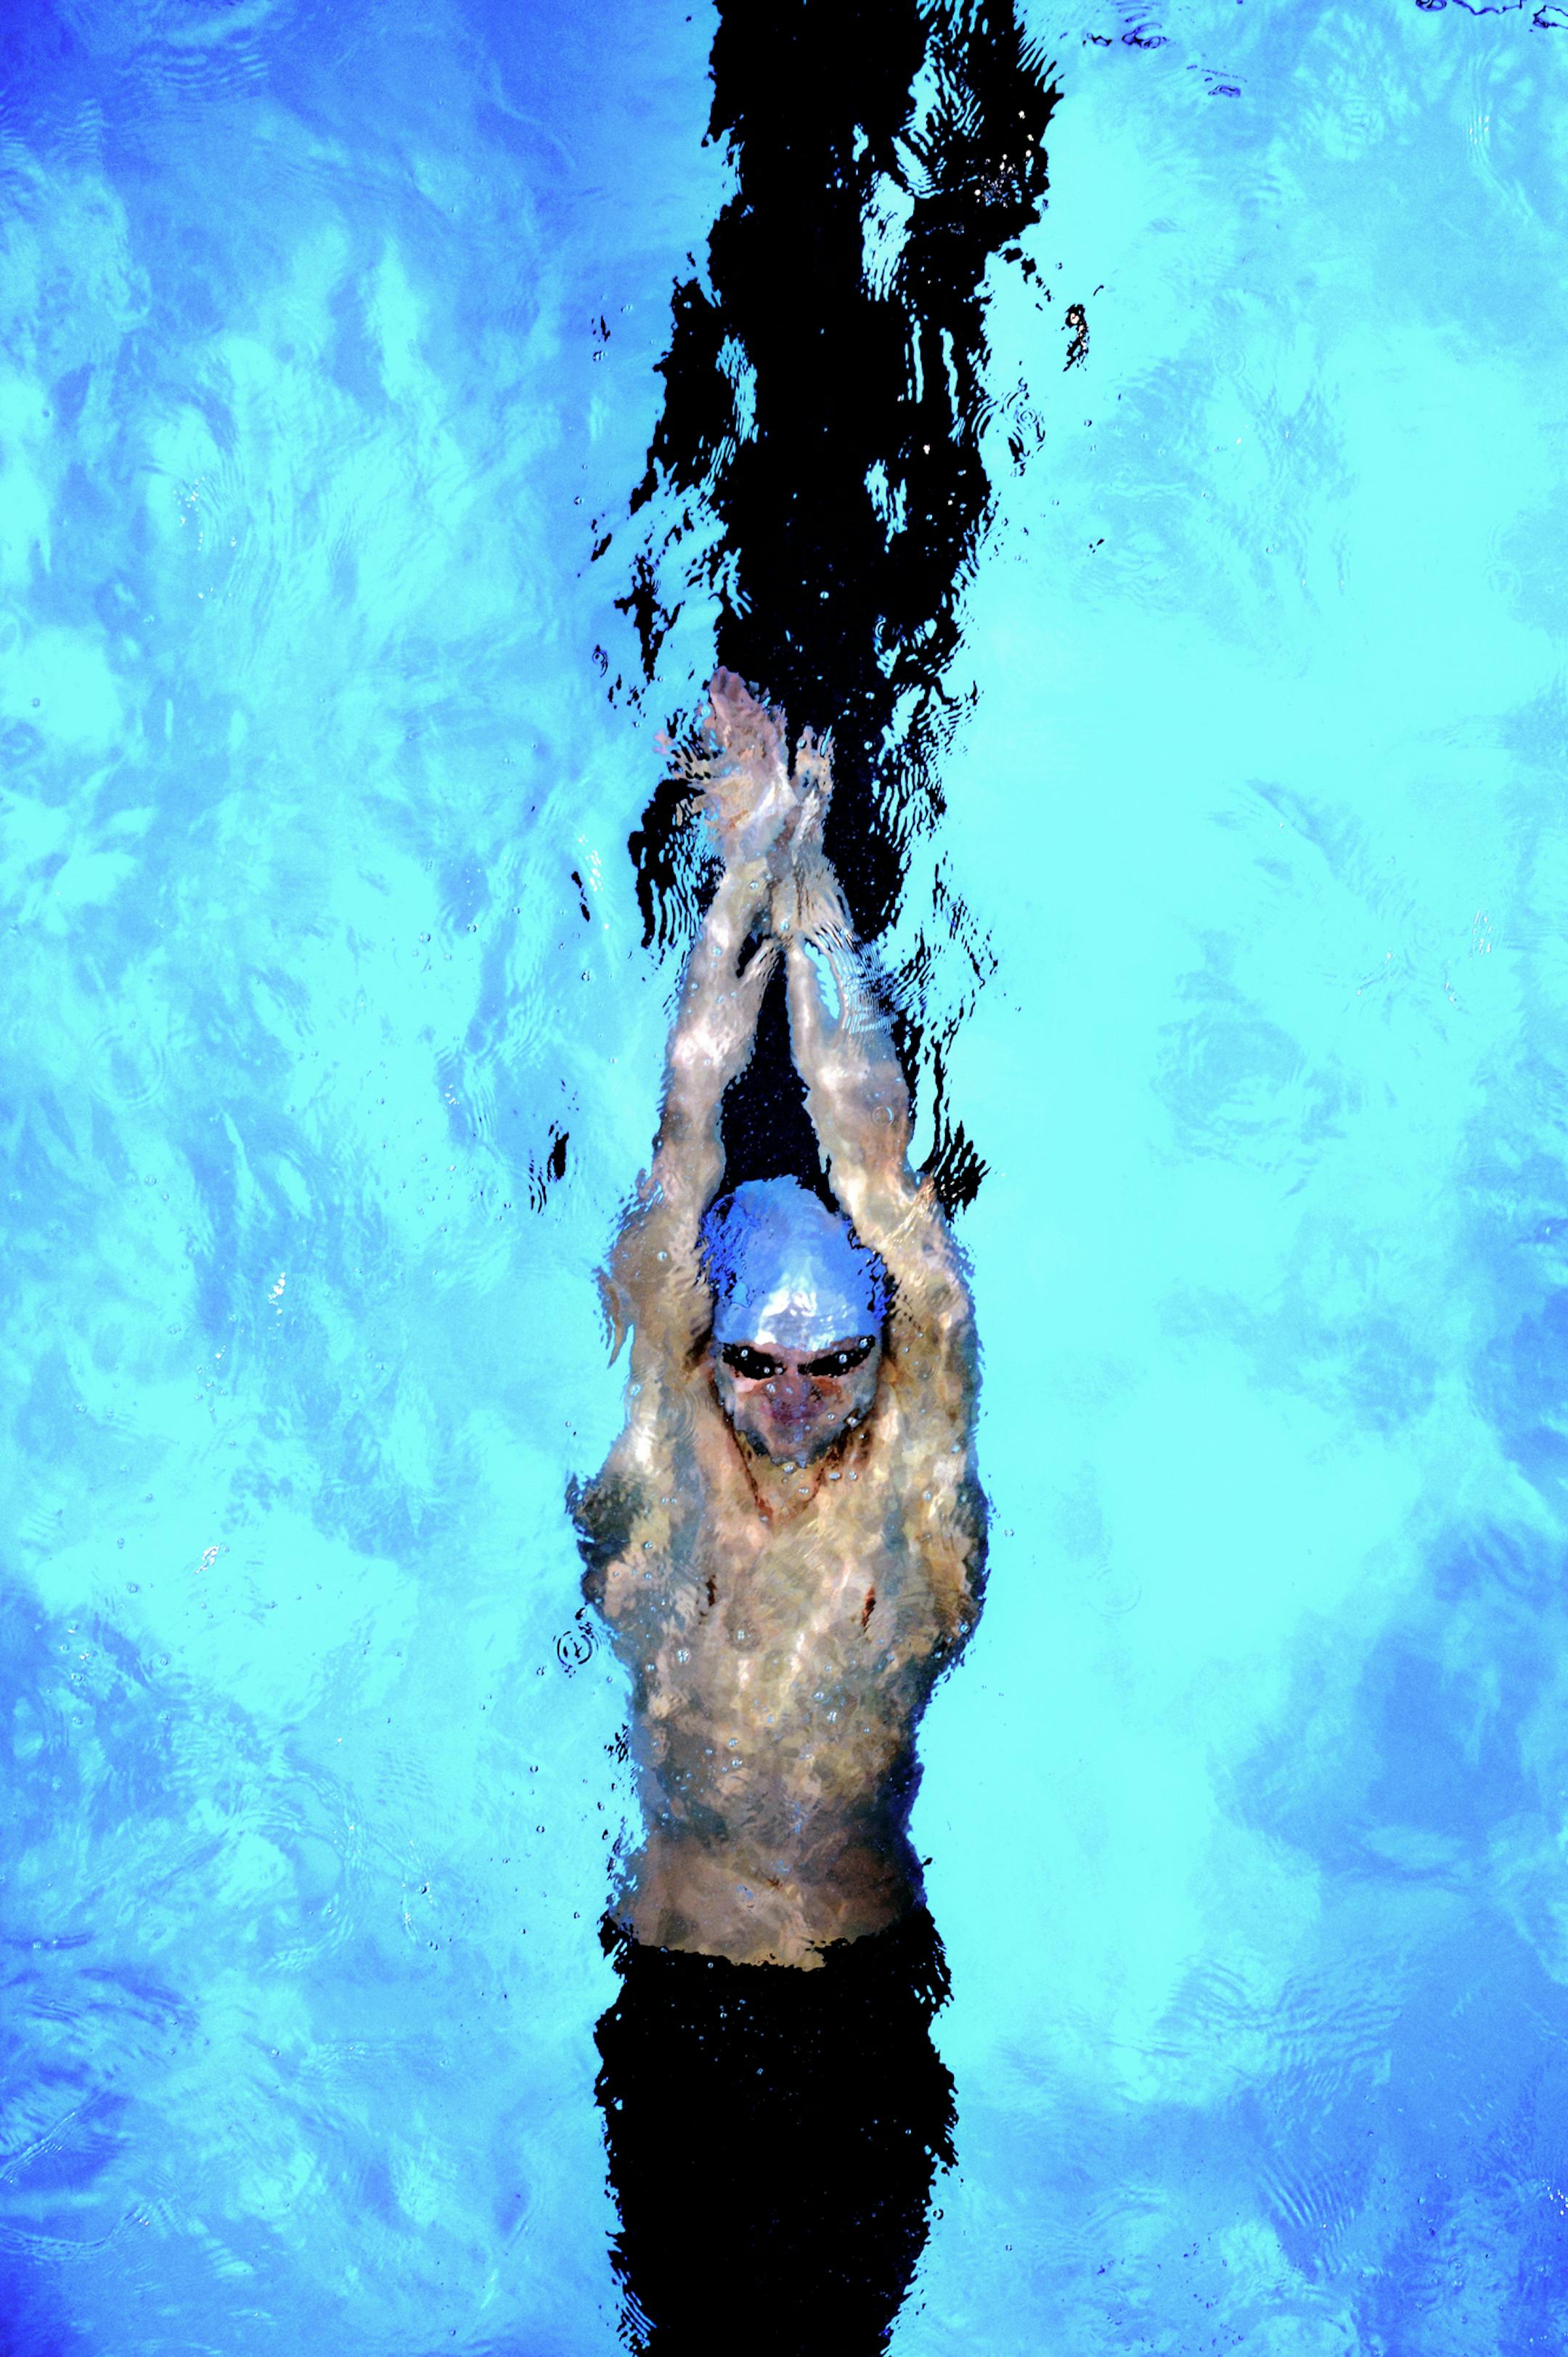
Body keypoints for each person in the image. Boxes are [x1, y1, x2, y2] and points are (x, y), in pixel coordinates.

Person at [574, 672, 987, 2351]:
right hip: (671, 2003)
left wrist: (810, 912)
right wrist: (745, 879)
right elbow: (684, 1132)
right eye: (756, 1363)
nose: (795, 1404)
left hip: (863, 2007)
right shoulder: (664, 1464)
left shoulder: (913, 1486)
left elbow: (889, 1187)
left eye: (830, 1369)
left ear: (880, 1357)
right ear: (709, 1347)